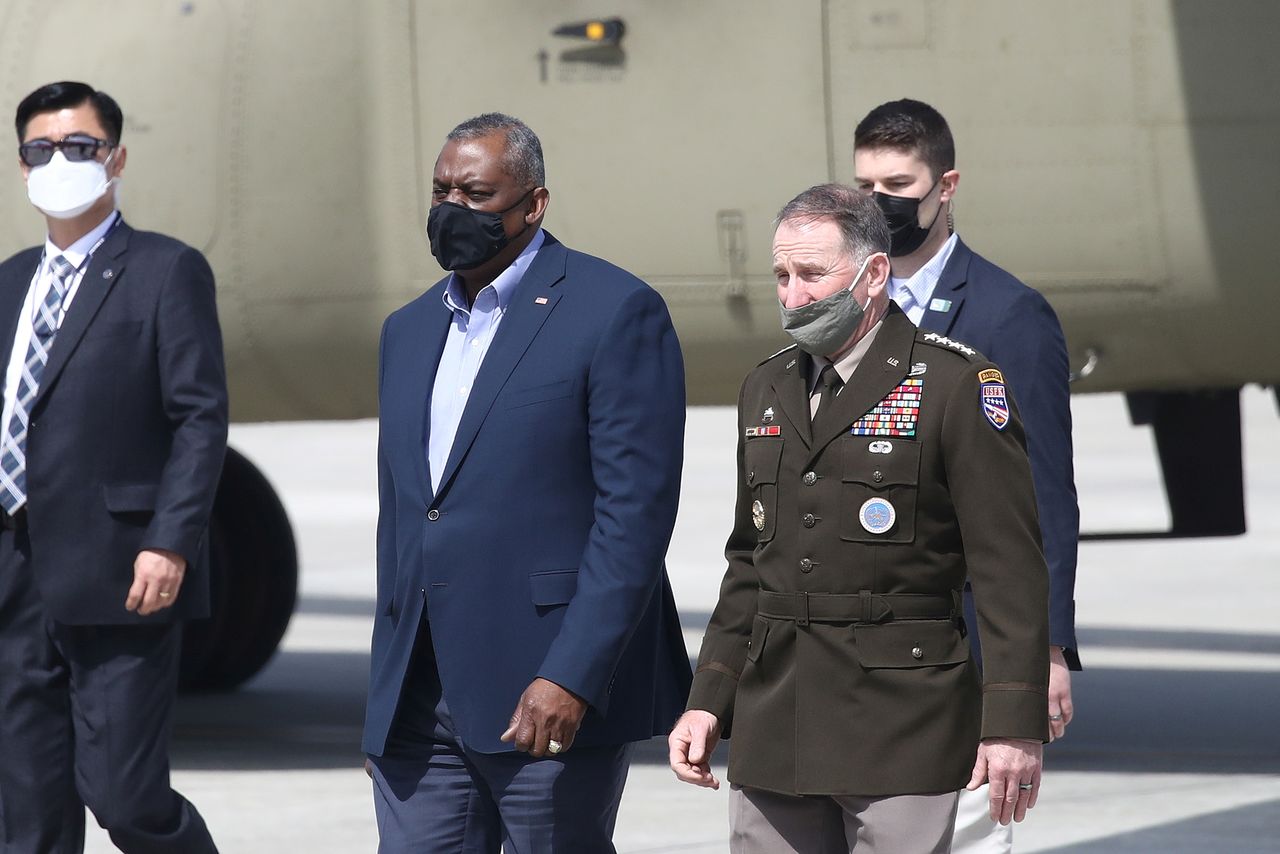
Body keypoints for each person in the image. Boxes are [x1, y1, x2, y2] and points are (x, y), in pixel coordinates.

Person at [669, 184, 1049, 853]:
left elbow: (1008, 567)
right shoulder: (767, 386)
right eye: (782, 276)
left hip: (902, 722)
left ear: (875, 274)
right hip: (777, 720)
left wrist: (1012, 724)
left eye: (814, 274)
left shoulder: (955, 385)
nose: (793, 295)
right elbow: (749, 563)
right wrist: (710, 697)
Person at [363, 113, 691, 853]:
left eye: (477, 194)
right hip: (420, 695)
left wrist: (571, 676)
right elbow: (407, 513)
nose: (454, 210)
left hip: (542, 686)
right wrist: (386, 690)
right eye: (442, 190)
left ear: (532, 205)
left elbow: (633, 518)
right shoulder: (409, 330)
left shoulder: (613, 311)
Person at [0, 82, 226, 853]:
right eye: (41, 149)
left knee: (125, 797)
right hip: (14, 573)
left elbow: (200, 418)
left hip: (120, 568)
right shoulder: (7, 283)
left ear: (116, 158)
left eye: (79, 147)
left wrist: (172, 541)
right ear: (22, 167)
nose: (59, 161)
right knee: (28, 813)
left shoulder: (165, 270)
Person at [852, 98, 1080, 852]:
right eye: (865, 186)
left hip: (964, 649)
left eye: (898, 184)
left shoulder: (1008, 315)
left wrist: (1045, 650)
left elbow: (1042, 494)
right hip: (861, 650)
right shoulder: (846, 307)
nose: (880, 204)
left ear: (945, 186)